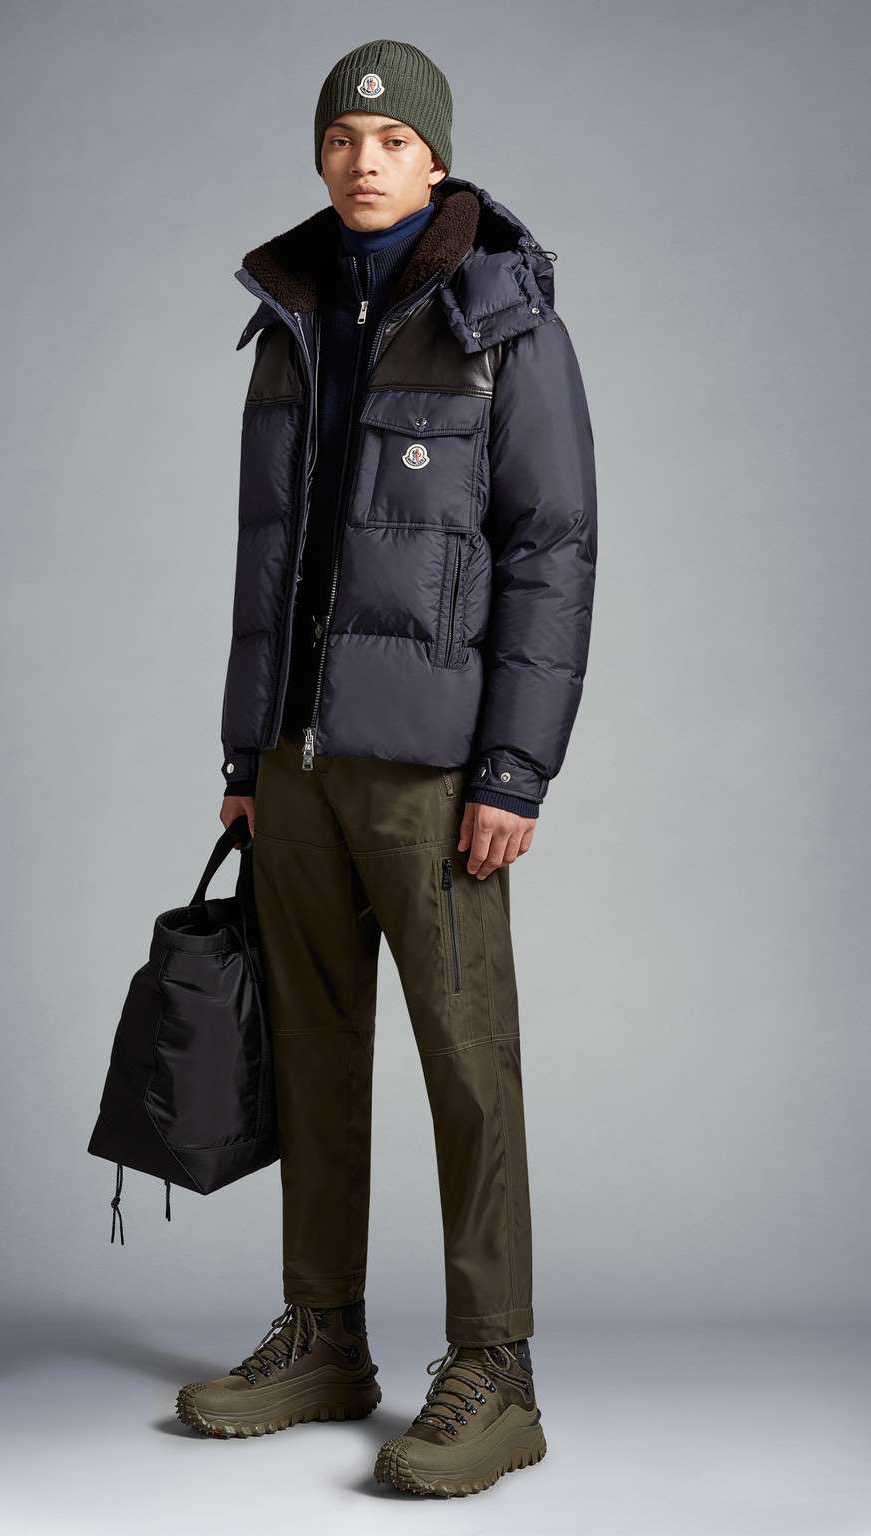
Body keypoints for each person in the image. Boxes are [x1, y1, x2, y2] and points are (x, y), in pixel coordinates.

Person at [175, 38, 597, 1498]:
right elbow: (269, 565)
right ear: (320, 155)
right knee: (313, 1054)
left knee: (468, 1065)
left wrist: (514, 771)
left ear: (435, 158)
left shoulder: (504, 321)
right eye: (343, 138)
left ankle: (497, 1371)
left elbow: (551, 553)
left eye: (392, 140)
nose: (365, 160)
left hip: (432, 772)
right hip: (295, 765)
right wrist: (247, 750)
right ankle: (326, 1337)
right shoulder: (289, 315)